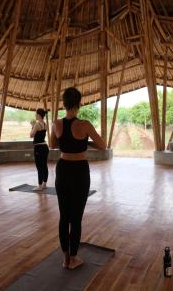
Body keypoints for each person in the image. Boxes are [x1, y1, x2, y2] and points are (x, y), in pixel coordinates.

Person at [51, 87, 106, 270]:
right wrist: (85, 140)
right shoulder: (84, 125)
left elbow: (52, 144)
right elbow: (102, 146)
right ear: (79, 103)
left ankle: (65, 258)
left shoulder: (56, 123)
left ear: (64, 104)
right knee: (76, 217)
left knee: (63, 216)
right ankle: (74, 258)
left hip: (62, 169)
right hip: (79, 172)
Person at [30, 108, 49, 191]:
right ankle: (44, 183)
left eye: (36, 114)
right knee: (44, 165)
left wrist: (32, 126)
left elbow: (31, 135)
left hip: (39, 148)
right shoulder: (45, 124)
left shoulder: (37, 124)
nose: (35, 116)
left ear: (38, 115)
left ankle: (40, 186)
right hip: (45, 147)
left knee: (39, 167)